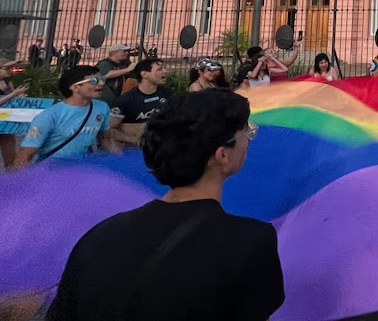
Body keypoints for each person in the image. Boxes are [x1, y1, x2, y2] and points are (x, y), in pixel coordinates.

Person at [45, 89, 285, 320]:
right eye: (247, 132)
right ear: (222, 155)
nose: (249, 141)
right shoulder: (250, 240)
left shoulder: (100, 233)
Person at [12, 66, 111, 168]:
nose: (101, 83)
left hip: (82, 170)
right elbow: (26, 153)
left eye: (101, 79)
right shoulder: (49, 115)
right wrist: (20, 181)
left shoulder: (102, 108)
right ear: (75, 87)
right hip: (52, 171)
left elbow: (106, 138)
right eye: (94, 80)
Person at [105, 59, 173, 152]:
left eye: (165, 68)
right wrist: (135, 140)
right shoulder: (126, 100)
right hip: (133, 150)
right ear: (144, 74)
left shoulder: (168, 94)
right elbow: (107, 130)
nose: (165, 71)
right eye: (160, 69)